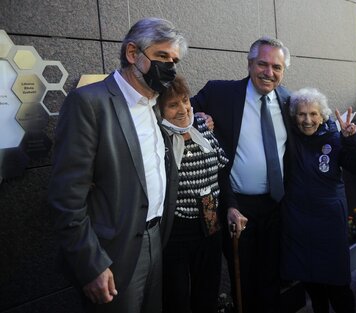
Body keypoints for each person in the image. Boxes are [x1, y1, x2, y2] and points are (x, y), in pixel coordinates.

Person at [48, 18, 186, 313]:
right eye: (162, 56)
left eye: (174, 60)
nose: (170, 67)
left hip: (156, 240)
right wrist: (91, 265)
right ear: (133, 53)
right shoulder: (89, 103)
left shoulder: (156, 103)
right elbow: (66, 198)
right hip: (112, 253)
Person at [191, 36, 291, 313]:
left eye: (276, 67)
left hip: (275, 205)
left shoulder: (289, 101)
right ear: (249, 64)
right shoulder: (219, 93)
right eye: (262, 64)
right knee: (243, 278)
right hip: (236, 206)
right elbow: (180, 110)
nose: (269, 73)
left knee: (272, 275)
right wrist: (197, 118)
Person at [280, 88, 356, 313]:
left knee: (338, 286)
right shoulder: (288, 138)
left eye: (313, 114)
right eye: (302, 114)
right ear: (294, 116)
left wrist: (352, 140)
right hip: (299, 222)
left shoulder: (336, 137)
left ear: (322, 116)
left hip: (329, 223)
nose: (307, 120)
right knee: (312, 285)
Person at [158, 75, 228, 313]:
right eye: (172, 104)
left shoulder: (203, 129)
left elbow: (221, 171)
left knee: (207, 291)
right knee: (176, 296)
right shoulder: (158, 140)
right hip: (177, 228)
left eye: (185, 100)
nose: (183, 109)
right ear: (159, 111)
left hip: (210, 222)